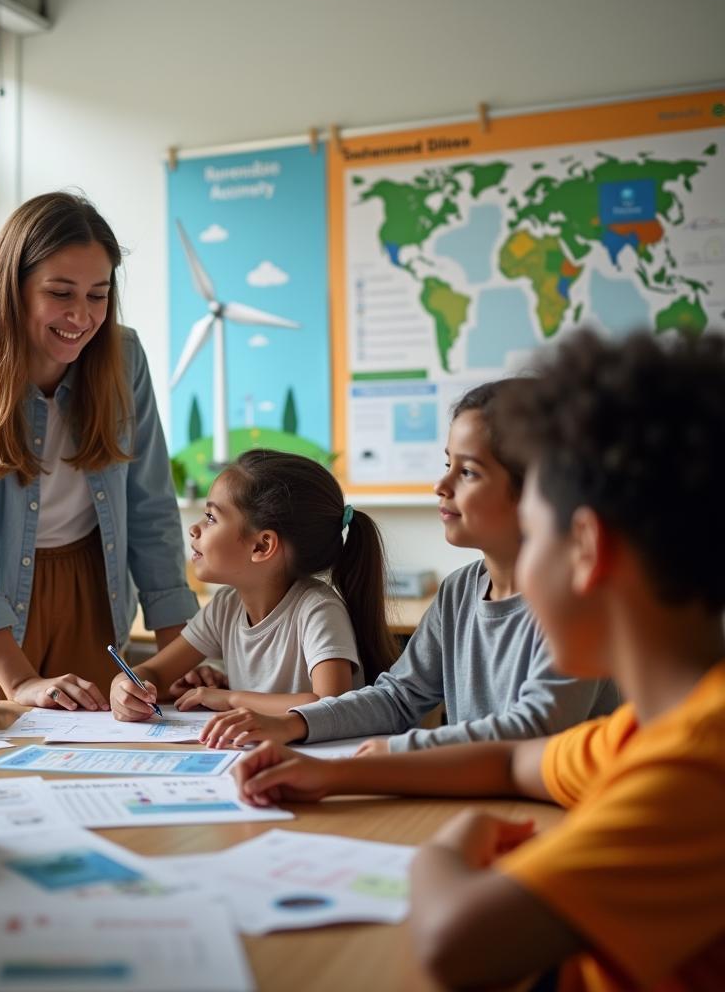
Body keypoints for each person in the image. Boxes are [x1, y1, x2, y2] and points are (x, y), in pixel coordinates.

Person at [232, 330, 725, 990]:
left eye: (541, 526)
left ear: (586, 548)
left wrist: (446, 849)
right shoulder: (654, 731)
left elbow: (451, 944)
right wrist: (332, 774)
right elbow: (515, 759)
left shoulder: (694, 772)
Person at [202, 380, 617, 750]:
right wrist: (293, 725)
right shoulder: (458, 592)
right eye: (446, 464)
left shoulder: (581, 600)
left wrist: (397, 754)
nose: (441, 485)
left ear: (537, 492)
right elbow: (399, 697)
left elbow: (537, 727)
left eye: (468, 471)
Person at [0, 192, 197, 711]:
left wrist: (181, 657)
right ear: (12, 290)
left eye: (98, 295)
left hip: (90, 588)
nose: (81, 316)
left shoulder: (123, 358)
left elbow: (151, 509)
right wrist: (18, 683)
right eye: (61, 293)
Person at [110, 449, 398, 721]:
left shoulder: (318, 609)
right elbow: (155, 673)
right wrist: (125, 686)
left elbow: (332, 702)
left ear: (262, 545)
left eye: (211, 517)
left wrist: (232, 699)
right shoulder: (226, 605)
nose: (194, 528)